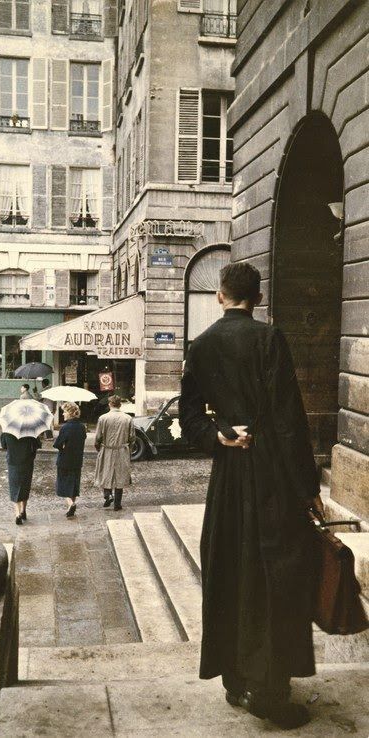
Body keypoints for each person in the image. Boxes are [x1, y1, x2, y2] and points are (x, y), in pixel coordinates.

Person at [179, 262, 324, 731]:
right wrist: (308, 489)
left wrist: (220, 434)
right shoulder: (268, 339)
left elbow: (189, 416)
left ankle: (235, 679)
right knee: (273, 575)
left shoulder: (199, 347)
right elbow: (288, 419)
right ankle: (269, 691)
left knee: (230, 568)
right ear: (256, 298)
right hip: (271, 476)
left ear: (220, 296)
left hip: (228, 479)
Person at [94, 395, 135, 511]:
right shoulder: (128, 418)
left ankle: (108, 495)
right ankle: (117, 504)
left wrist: (98, 448)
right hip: (122, 449)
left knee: (105, 472)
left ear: (110, 404)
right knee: (119, 477)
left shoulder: (103, 418)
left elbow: (98, 437)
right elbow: (132, 437)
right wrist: (129, 449)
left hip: (107, 449)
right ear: (120, 405)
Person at [53, 402, 86, 517]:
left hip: (65, 460)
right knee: (74, 484)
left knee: (63, 484)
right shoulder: (82, 427)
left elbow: (57, 444)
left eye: (64, 411)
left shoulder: (65, 427)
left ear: (70, 413)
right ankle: (70, 507)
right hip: (77, 460)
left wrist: (63, 445)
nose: (63, 414)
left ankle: (71, 503)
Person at [0, 432, 41, 525]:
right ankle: (23, 511)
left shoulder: (7, 432)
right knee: (25, 486)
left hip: (13, 463)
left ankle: (17, 513)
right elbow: (38, 445)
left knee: (14, 487)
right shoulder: (31, 431)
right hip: (27, 462)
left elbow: (3, 445)